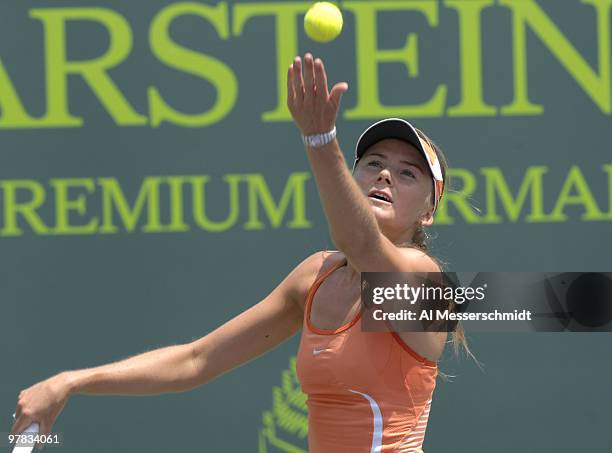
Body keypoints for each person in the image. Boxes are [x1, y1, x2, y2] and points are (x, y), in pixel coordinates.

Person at [11, 53, 467, 452]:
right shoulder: (315, 276)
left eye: (408, 174)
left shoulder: (424, 283)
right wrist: (71, 382)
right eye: (373, 164)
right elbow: (197, 361)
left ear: (428, 211)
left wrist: (320, 140)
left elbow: (362, 245)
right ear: (356, 177)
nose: (385, 176)